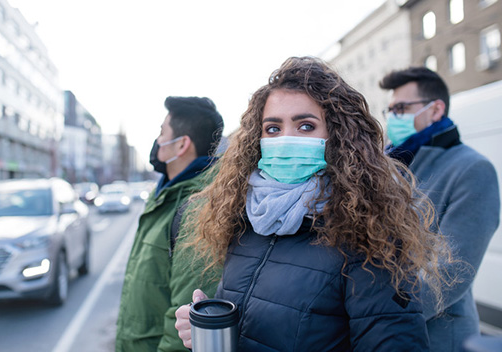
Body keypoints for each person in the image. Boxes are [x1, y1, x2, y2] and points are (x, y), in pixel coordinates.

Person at [174, 56, 452, 351]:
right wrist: (207, 330)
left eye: (306, 126)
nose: (286, 139)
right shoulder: (245, 220)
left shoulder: (370, 235)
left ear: (338, 137)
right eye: (272, 128)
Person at [379, 67, 500, 352]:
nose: (394, 117)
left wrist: (382, 321)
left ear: (435, 110)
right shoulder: (394, 164)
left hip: (435, 337)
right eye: (391, 110)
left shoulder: (472, 169)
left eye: (402, 108)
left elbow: (450, 273)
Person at [115, 96, 224, 352]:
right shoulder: (164, 194)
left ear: (182, 144)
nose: (158, 141)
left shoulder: (198, 208)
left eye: (162, 132)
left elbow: (184, 320)